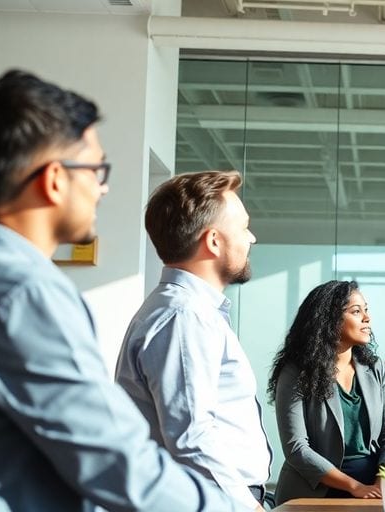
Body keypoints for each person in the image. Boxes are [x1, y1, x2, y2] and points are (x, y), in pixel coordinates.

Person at [0, 69, 236, 510]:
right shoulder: (24, 291)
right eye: (96, 169)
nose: (104, 187)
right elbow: (111, 457)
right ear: (53, 179)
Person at [115, 171, 272, 510]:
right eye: (243, 227)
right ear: (214, 241)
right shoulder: (184, 316)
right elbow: (191, 437)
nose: (252, 238)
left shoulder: (191, 312)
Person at [269, 280, 385, 504]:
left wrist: (382, 481)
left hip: (372, 490)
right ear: (329, 319)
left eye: (366, 310)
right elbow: (296, 448)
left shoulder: (375, 367)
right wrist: (354, 486)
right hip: (312, 493)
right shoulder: (296, 370)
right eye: (356, 311)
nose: (367, 318)